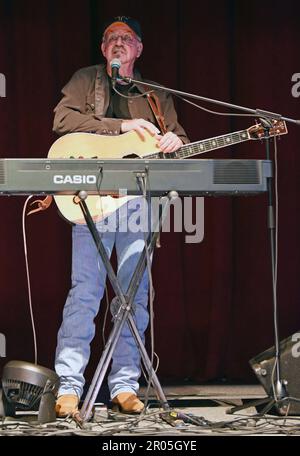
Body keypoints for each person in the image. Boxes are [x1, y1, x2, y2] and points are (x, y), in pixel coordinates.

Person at [53, 16, 189, 417]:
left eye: (126, 38)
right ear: (102, 48)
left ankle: (125, 384)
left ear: (138, 49)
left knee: (133, 296)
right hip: (93, 200)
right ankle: (69, 387)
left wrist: (172, 140)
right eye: (111, 38)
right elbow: (62, 121)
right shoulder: (86, 80)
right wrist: (121, 126)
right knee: (86, 292)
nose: (118, 43)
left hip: (137, 204)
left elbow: (179, 142)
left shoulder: (155, 94)